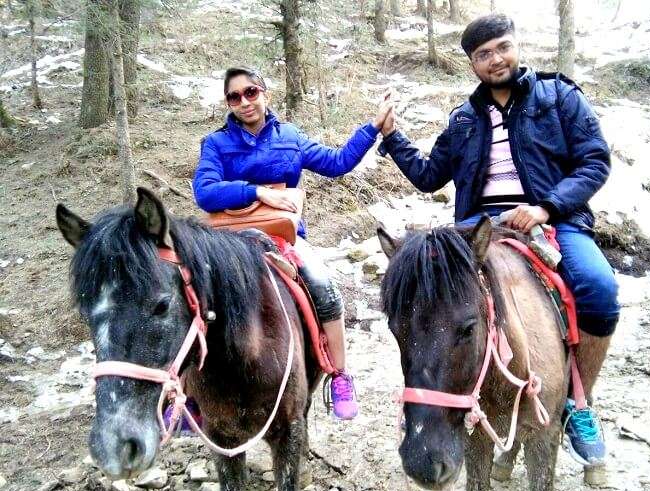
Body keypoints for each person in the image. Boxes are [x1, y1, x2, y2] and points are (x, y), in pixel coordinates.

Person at [377, 14, 619, 466]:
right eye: (483, 54)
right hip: (477, 230)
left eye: (502, 47)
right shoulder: (465, 119)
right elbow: (431, 176)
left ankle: (576, 402)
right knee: (438, 310)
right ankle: (465, 397)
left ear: (516, 46)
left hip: (552, 219)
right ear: (472, 63)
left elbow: (594, 162)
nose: (495, 59)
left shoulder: (559, 98)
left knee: (600, 291)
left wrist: (546, 205)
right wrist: (391, 137)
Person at [192, 66, 393, 421]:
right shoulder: (216, 143)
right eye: (234, 97)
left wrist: (374, 127)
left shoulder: (290, 136)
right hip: (228, 244)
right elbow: (205, 192)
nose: (244, 102)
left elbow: (337, 163)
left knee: (324, 288)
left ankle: (339, 375)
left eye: (251, 92)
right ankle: (189, 392)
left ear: (265, 92)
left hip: (283, 237)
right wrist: (258, 192)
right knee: (190, 296)